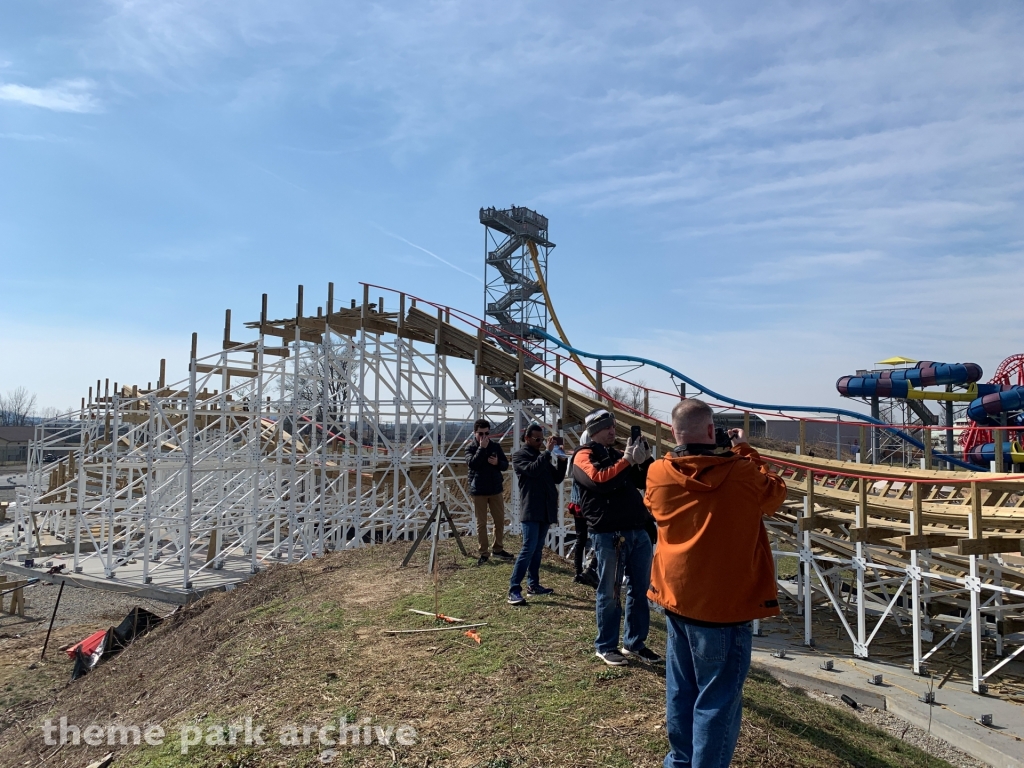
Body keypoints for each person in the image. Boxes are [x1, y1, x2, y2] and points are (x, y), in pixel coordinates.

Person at [645, 399, 787, 768]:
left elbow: (655, 502)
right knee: (717, 701)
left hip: (676, 597)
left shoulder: (659, 471)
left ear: (673, 432)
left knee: (681, 690)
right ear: (712, 431)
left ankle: (679, 761)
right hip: (724, 605)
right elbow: (775, 493)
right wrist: (741, 448)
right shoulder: (741, 471)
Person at [572, 408, 659, 666]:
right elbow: (598, 481)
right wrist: (627, 462)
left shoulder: (616, 454)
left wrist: (644, 461)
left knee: (640, 589)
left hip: (637, 529)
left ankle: (634, 642)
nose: (613, 430)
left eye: (613, 426)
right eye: (607, 427)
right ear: (594, 431)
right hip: (609, 532)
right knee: (610, 591)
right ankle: (606, 645)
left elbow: (641, 481)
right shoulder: (583, 455)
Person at [508, 423, 568, 605]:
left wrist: (563, 460)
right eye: (537, 439)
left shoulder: (542, 456)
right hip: (531, 508)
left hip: (546, 508)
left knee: (537, 549)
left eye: (542, 439)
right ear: (527, 439)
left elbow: (556, 478)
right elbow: (533, 471)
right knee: (528, 548)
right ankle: (514, 589)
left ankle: (533, 585)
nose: (541, 442)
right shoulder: (520, 456)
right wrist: (547, 453)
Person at [465, 418, 512, 565]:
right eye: (480, 434)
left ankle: (497, 549)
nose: (484, 437)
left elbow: (505, 465)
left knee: (499, 520)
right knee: (482, 523)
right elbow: (473, 464)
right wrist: (481, 448)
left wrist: (498, 463)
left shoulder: (495, 447)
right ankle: (483, 553)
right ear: (475, 433)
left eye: (487, 433)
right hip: (478, 490)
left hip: (495, 489)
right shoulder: (470, 448)